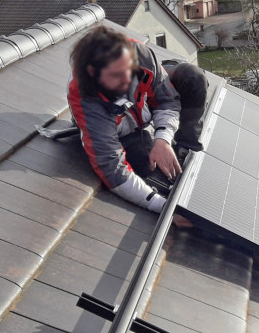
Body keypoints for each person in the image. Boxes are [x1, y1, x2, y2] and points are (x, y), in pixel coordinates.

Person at [68, 26, 207, 213]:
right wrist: (162, 207)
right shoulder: (86, 101)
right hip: (122, 133)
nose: (127, 80)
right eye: (116, 76)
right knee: (146, 166)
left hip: (144, 115)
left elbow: (167, 100)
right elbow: (112, 168)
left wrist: (163, 139)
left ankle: (184, 151)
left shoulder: (141, 55)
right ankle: (165, 178)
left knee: (192, 77)